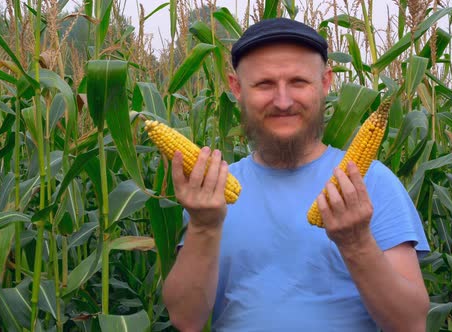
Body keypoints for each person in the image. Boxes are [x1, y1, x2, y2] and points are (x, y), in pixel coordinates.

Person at [162, 17, 430, 332]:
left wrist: (356, 243)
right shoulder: (210, 190)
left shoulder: (372, 181)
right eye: (264, 84)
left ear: (326, 82)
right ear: (236, 88)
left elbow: (411, 323)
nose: (283, 101)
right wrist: (204, 226)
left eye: (299, 82)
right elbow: (186, 320)